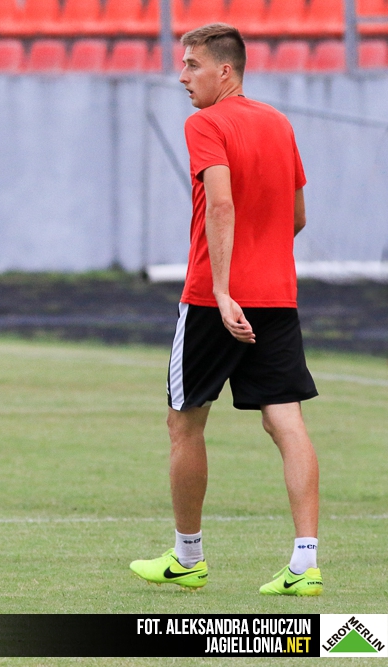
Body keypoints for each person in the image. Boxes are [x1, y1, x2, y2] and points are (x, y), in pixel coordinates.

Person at [130, 24, 322, 596]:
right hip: (277, 297)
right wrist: (263, 259)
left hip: (214, 301)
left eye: (192, 65)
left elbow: (220, 203)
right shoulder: (279, 123)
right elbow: (297, 217)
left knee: (184, 421)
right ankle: (306, 563)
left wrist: (220, 289)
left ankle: (188, 557)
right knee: (286, 421)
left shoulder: (206, 124)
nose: (182, 76)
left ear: (225, 71)